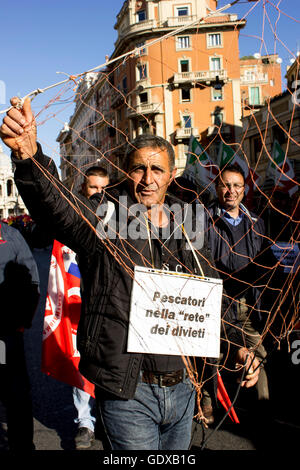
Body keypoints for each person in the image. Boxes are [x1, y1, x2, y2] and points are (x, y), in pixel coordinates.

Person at [0, 97, 260, 451]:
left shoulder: (189, 219)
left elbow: (209, 289)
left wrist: (239, 344)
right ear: (126, 171)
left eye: (157, 170)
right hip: (127, 390)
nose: (148, 179)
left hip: (183, 388)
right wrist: (30, 156)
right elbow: (60, 208)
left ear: (171, 174)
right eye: (139, 169)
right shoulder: (107, 216)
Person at [205, 164, 271, 421]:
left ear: (244, 190)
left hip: (246, 302)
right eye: (225, 185)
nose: (231, 191)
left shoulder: (257, 223)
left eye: (236, 186)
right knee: (212, 353)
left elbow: (264, 259)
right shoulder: (204, 220)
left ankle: (263, 407)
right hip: (215, 301)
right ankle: (208, 401)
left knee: (257, 352)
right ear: (217, 187)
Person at [73, 165, 109, 450]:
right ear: (83, 190)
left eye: (104, 188)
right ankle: (84, 422)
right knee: (81, 367)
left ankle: (111, 420)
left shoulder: (123, 221)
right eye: (93, 188)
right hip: (81, 308)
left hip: (111, 309)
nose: (99, 194)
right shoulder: (72, 221)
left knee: (111, 366)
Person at [0, 220, 40, 451]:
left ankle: (22, 445)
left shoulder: (11, 235)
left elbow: (33, 281)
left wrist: (22, 322)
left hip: (5, 334)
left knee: (14, 393)